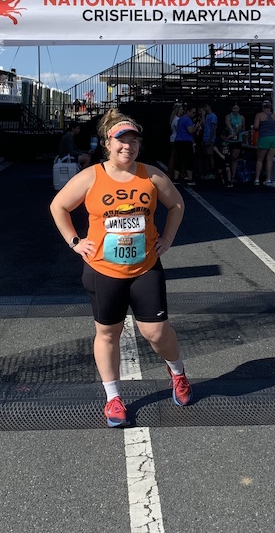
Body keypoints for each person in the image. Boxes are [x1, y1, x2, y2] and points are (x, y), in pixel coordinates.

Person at [49, 110, 192, 427]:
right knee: (107, 333)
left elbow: (177, 204)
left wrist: (167, 238)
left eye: (134, 141)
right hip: (103, 270)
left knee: (156, 332)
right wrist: (75, 242)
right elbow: (58, 206)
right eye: (121, 140)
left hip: (145, 268)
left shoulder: (151, 175)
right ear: (107, 144)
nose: (128, 146)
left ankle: (178, 373)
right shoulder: (91, 177)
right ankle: (113, 398)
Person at [252, 99, 275, 186]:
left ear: (262, 107)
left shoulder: (259, 115)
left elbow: (256, 126)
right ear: (271, 107)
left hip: (264, 137)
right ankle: (268, 179)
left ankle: (257, 179)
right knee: (269, 159)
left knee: (260, 159)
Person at [171, 103, 198, 185]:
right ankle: (190, 179)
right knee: (189, 160)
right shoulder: (187, 120)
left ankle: (175, 179)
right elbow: (190, 131)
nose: (194, 114)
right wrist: (196, 126)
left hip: (178, 140)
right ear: (188, 111)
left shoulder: (180, 119)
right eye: (193, 112)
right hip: (186, 141)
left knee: (179, 160)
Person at [224, 102, 246, 185]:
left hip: (237, 139)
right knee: (227, 158)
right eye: (234, 108)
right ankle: (227, 176)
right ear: (232, 109)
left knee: (234, 158)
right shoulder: (228, 116)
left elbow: (244, 128)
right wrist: (232, 131)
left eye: (237, 108)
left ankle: (233, 176)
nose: (235, 110)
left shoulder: (242, 117)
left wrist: (240, 129)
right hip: (229, 140)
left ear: (239, 109)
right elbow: (227, 123)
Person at [199, 103, 218, 179]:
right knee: (206, 156)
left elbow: (213, 128)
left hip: (209, 138)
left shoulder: (213, 116)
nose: (205, 108)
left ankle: (212, 172)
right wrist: (203, 116)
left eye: (206, 106)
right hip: (205, 137)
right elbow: (204, 125)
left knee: (210, 155)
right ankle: (208, 171)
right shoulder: (207, 116)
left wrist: (210, 139)